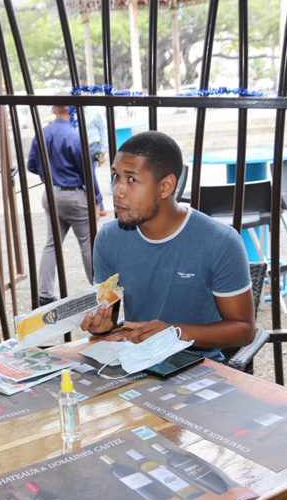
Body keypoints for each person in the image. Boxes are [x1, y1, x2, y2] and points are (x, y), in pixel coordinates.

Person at [81, 130, 256, 361]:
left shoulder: (220, 242)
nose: (118, 191)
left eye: (132, 179)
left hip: (200, 368)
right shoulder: (108, 238)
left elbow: (245, 330)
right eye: (116, 177)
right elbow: (109, 318)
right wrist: (100, 325)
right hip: (136, 364)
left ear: (165, 187)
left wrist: (175, 333)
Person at [27, 103, 102, 306]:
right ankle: (99, 289)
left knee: (52, 243)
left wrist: (49, 174)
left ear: (53, 109)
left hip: (51, 194)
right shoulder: (75, 136)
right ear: (73, 110)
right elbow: (88, 171)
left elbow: (31, 165)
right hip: (74, 196)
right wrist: (97, 199)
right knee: (88, 243)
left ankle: (44, 293)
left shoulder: (42, 134)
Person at [85, 105, 109, 215]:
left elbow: (103, 130)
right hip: (79, 148)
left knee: (88, 176)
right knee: (88, 176)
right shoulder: (71, 112)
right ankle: (98, 206)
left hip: (94, 148)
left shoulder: (94, 112)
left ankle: (98, 207)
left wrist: (103, 152)